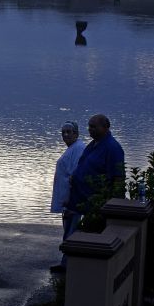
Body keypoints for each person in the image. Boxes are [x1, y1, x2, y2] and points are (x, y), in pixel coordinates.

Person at [58, 113, 125, 273]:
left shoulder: (113, 148)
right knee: (70, 231)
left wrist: (115, 202)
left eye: (94, 126)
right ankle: (66, 264)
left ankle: (73, 268)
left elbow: (118, 177)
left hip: (93, 201)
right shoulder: (94, 144)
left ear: (105, 127)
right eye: (89, 126)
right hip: (78, 197)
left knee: (82, 233)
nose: (90, 129)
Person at [50, 121, 86, 252]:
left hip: (71, 200)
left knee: (71, 232)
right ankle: (66, 262)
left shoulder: (78, 149)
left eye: (68, 132)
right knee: (68, 230)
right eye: (63, 132)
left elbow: (75, 177)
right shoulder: (73, 148)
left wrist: (70, 201)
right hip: (67, 199)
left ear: (76, 134)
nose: (65, 135)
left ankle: (68, 264)